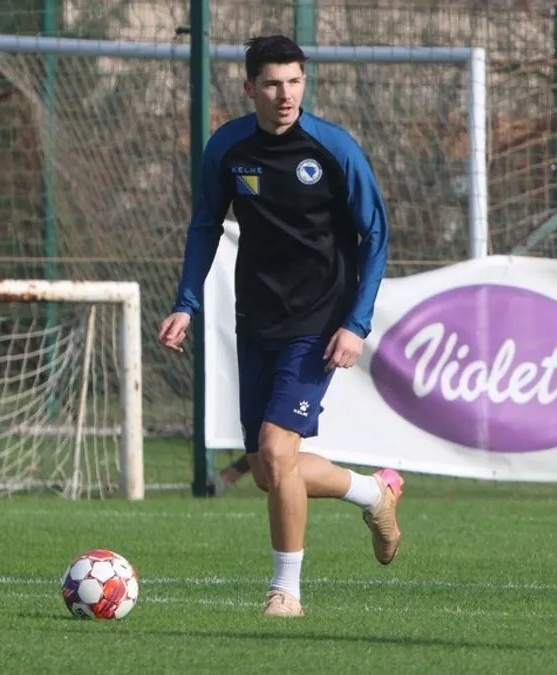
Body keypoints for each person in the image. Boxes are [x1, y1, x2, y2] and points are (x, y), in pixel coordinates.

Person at [158, 34, 404, 619]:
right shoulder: (228, 148)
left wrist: (357, 323)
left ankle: (285, 592)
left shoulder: (334, 148)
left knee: (274, 449)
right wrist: (185, 303)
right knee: (274, 471)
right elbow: (203, 227)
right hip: (257, 320)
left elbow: (375, 236)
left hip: (319, 321)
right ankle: (375, 493)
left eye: (294, 81)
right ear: (249, 89)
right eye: (272, 83)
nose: (285, 93)